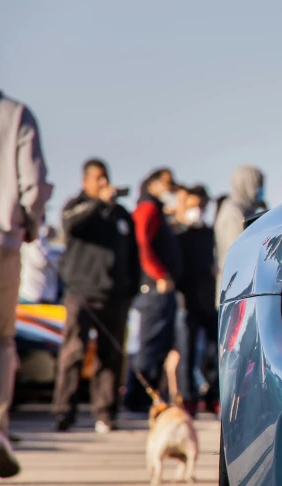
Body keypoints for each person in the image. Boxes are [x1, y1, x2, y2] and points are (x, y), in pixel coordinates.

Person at [53, 159, 140, 433]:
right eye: (98, 178)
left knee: (110, 356)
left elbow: (133, 256)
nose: (104, 183)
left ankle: (105, 413)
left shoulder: (120, 214)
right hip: (81, 293)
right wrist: (96, 203)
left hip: (114, 296)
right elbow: (71, 225)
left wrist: (131, 290)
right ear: (86, 181)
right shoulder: (76, 206)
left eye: (106, 177)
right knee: (74, 352)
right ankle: (63, 412)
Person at [0, 91, 52, 478]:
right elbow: (32, 184)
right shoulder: (15, 115)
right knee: (1, 339)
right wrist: (28, 226)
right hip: (1, 242)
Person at [124, 169, 182, 413]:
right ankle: (136, 399)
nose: (171, 188)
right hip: (154, 289)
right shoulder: (147, 208)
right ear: (153, 184)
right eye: (167, 183)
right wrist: (160, 274)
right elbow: (142, 244)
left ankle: (146, 398)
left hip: (161, 290)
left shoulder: (156, 209)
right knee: (149, 345)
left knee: (160, 344)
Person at [173, 185, 219, 416]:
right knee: (187, 351)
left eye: (201, 206)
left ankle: (212, 396)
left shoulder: (211, 234)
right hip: (186, 301)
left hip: (209, 301)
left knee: (214, 351)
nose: (197, 210)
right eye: (193, 206)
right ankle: (187, 398)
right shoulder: (178, 235)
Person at [214, 166, 264, 293]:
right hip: (236, 288)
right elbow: (238, 252)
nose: (259, 190)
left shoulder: (246, 210)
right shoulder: (234, 212)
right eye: (257, 185)